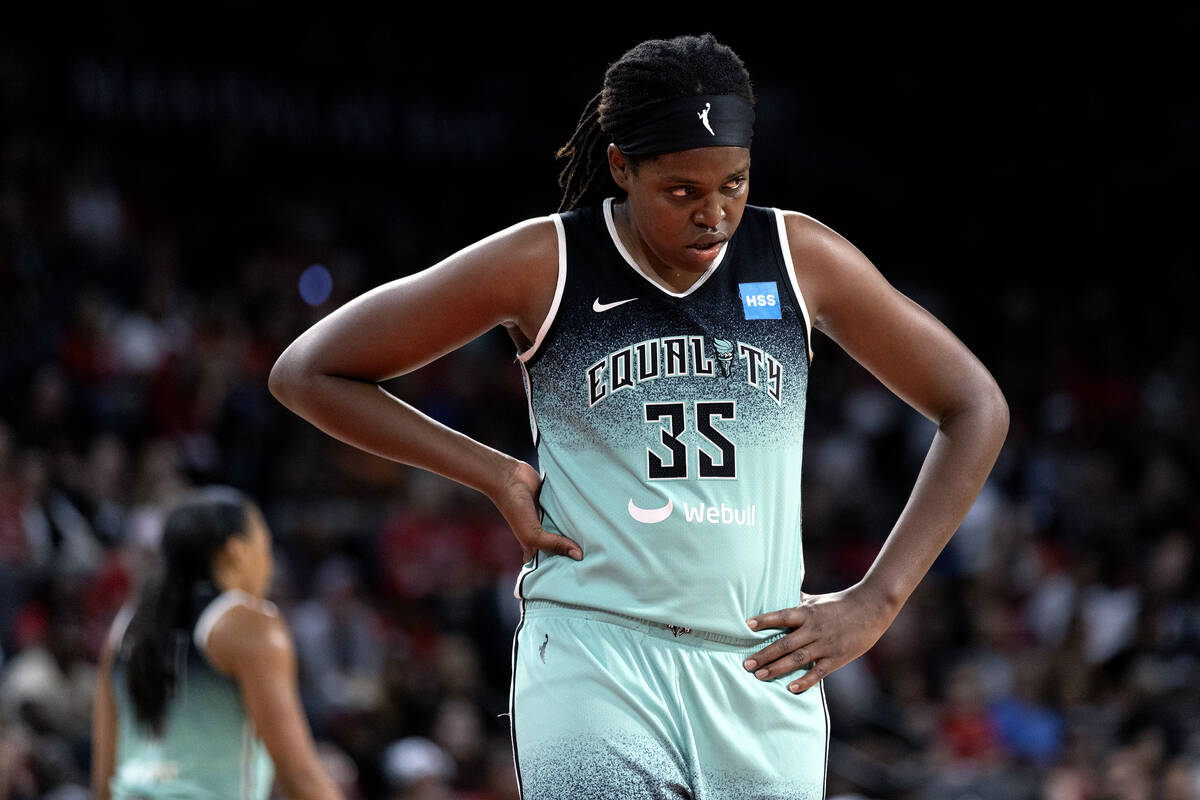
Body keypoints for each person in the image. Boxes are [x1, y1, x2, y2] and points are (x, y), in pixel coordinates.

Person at [269, 33, 1009, 799]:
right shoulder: (546, 262)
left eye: (734, 183)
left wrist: (877, 600)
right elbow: (308, 372)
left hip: (758, 669)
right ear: (622, 166)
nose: (714, 214)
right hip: (597, 658)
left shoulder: (797, 256)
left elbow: (974, 404)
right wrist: (490, 471)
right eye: (682, 192)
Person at [91, 486, 343, 800]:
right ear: (237, 551)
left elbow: (103, 778)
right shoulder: (248, 625)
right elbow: (297, 773)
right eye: (265, 546)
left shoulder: (124, 626)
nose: (269, 564)